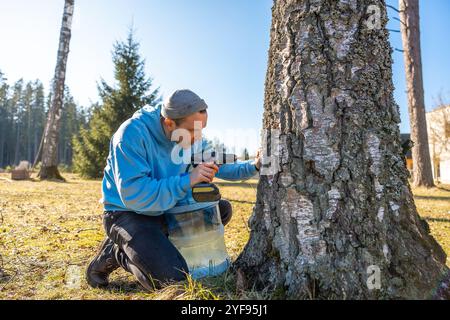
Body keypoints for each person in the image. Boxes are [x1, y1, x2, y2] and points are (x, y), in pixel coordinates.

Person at [86, 89, 261, 291]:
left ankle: (148, 245)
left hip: (165, 209)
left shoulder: (192, 139)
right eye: (192, 131)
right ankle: (118, 252)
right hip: (127, 213)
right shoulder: (130, 135)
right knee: (172, 281)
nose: (198, 138)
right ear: (169, 123)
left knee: (220, 210)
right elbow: (135, 195)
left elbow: (219, 163)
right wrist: (188, 180)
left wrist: (254, 166)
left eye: (201, 129)